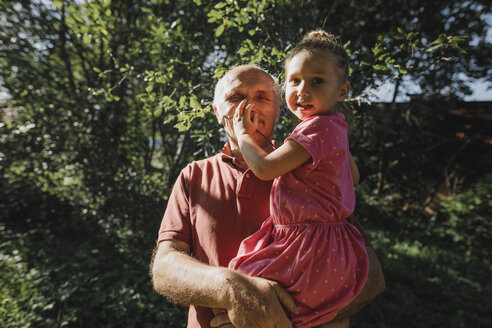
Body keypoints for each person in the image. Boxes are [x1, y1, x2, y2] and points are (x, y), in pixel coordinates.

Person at [151, 63, 385, 328]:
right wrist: (233, 289)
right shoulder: (195, 176)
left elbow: (371, 277)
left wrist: (285, 322)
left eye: (262, 97)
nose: (249, 107)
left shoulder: (313, 169)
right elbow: (164, 268)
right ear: (218, 112)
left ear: (278, 111)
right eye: (235, 97)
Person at [227, 30, 367, 328]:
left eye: (317, 81)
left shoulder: (314, 130)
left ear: (342, 91)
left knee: (245, 286)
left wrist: (244, 136)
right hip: (332, 246)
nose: (302, 89)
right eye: (294, 80)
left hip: (308, 248)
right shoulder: (335, 127)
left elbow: (264, 168)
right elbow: (353, 175)